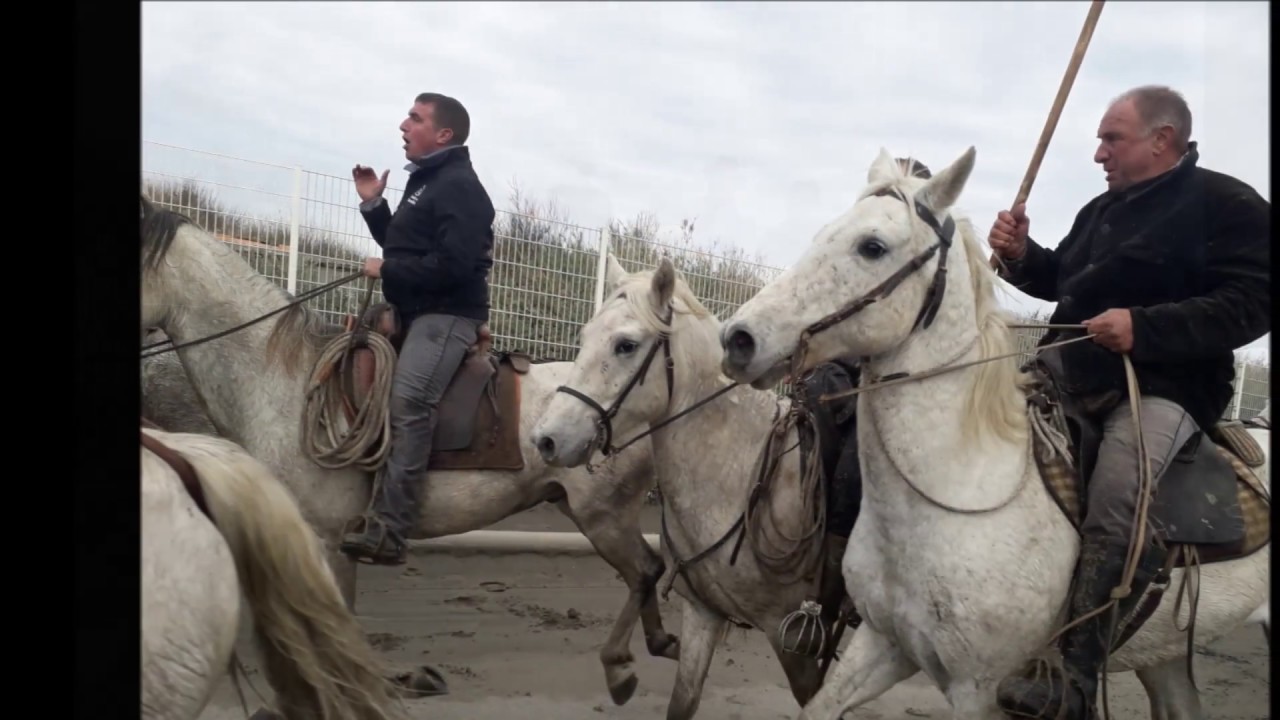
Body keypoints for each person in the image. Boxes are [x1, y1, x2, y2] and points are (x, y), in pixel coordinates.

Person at [987, 85, 1270, 718]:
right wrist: (1019, 255)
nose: (1098, 154)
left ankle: (1075, 674)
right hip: (1066, 371)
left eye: (1110, 139)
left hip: (1168, 387)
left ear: (1161, 139)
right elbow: (1062, 280)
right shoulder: (1101, 209)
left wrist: (1146, 328)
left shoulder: (1228, 205)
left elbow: (1253, 303)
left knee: (1119, 492)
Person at [340, 92, 497, 566]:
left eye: (415, 118)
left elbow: (454, 266)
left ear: (443, 134)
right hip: (417, 311)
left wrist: (386, 270)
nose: (403, 125)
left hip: (448, 315)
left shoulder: (458, 186)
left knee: (409, 402)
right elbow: (404, 248)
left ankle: (390, 529)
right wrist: (374, 206)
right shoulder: (426, 183)